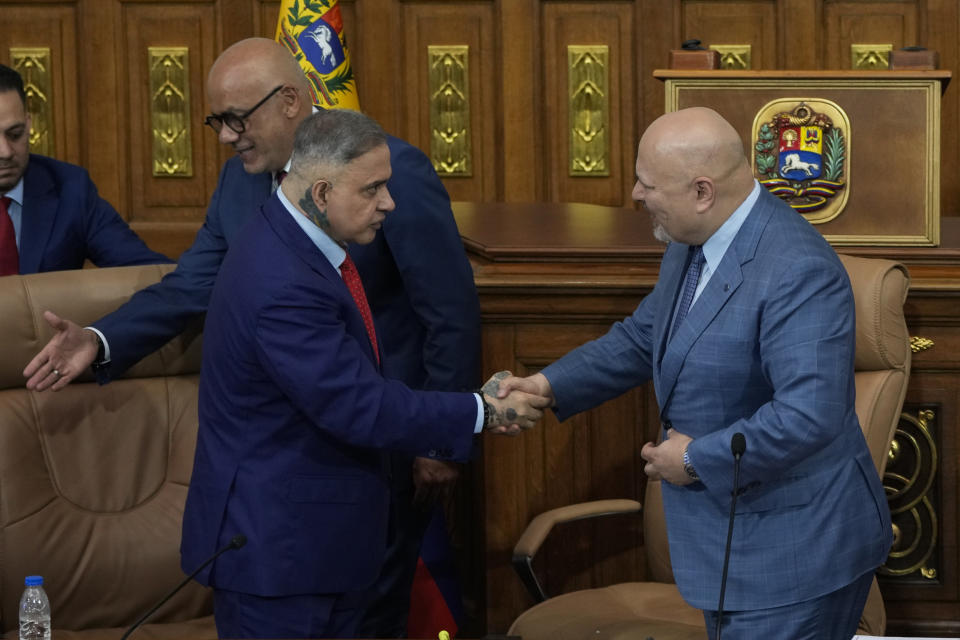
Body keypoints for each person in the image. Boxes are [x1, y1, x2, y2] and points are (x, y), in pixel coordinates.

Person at [22, 38, 479, 635]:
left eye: (237, 119)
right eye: (217, 121)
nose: (225, 136)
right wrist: (101, 339)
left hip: (382, 452)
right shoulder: (241, 182)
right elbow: (193, 283)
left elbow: (448, 310)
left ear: (290, 100)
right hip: (285, 483)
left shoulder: (386, 170)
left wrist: (441, 446)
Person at [497, 107, 893, 640]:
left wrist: (693, 458)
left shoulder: (797, 268)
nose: (635, 194)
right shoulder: (691, 240)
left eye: (647, 183)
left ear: (702, 191)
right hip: (726, 551)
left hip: (792, 558)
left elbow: (808, 414)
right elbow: (646, 337)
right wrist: (546, 385)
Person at [182, 108, 544, 639]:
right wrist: (480, 411)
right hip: (283, 560)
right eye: (373, 189)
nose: (389, 204)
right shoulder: (282, 282)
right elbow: (358, 405)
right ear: (322, 192)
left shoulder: (291, 241)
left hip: (319, 546)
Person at [0, 64, 171, 276]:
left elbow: (148, 272)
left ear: (28, 124)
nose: (6, 152)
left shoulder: (71, 190)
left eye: (15, 134)